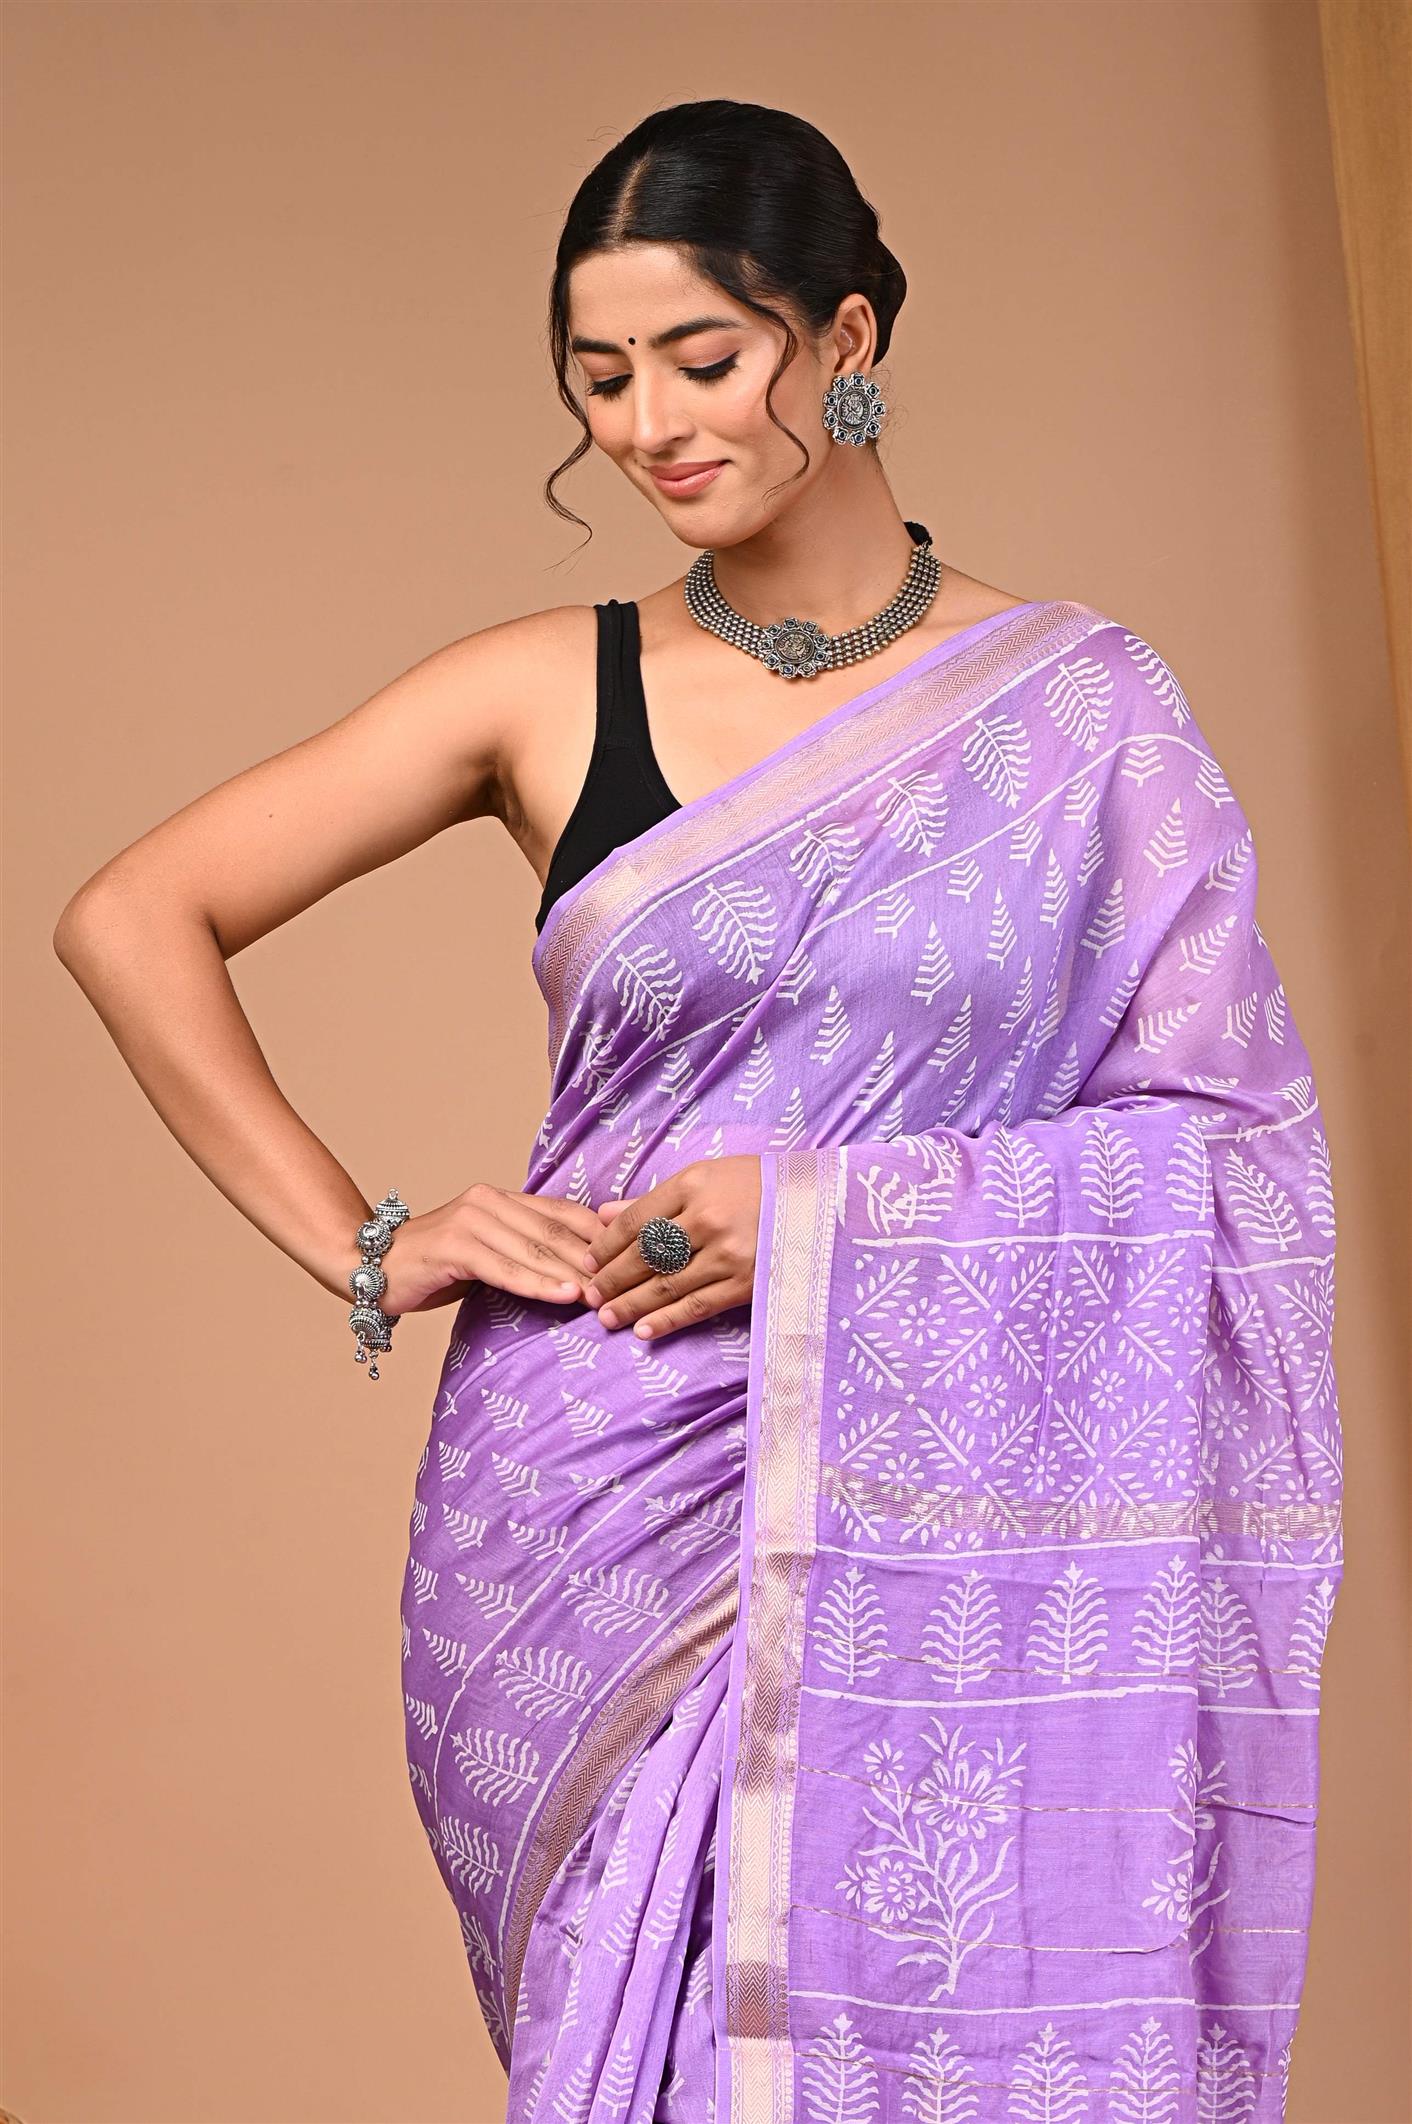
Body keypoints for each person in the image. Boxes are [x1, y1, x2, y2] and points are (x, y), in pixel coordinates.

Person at [54, 97, 1343, 2124]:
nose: (649, 423)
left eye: (703, 356)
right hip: (593, 1495)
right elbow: (134, 917)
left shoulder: (1085, 714)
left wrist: (828, 1222)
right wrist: (372, 1237)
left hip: (936, 1517)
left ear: (845, 339)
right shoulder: (542, 690)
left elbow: (1226, 1148)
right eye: (600, 378)